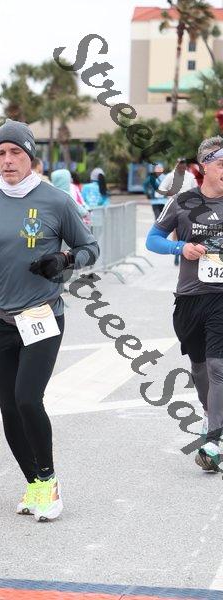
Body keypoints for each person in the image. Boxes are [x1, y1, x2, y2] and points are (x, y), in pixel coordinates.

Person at [0, 119, 99, 521]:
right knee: (9, 409)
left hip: (42, 314)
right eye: (0, 153)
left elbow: (90, 248)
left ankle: (49, 481)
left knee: (28, 399)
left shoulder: (56, 201)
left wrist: (64, 259)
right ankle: (33, 483)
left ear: (30, 156)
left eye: (16, 152)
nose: (7, 160)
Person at [145, 136, 223, 472]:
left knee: (218, 366)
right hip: (190, 297)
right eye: (221, 164)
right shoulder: (182, 201)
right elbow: (152, 240)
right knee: (200, 367)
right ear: (204, 165)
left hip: (221, 298)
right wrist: (182, 248)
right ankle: (210, 414)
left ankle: (214, 440)